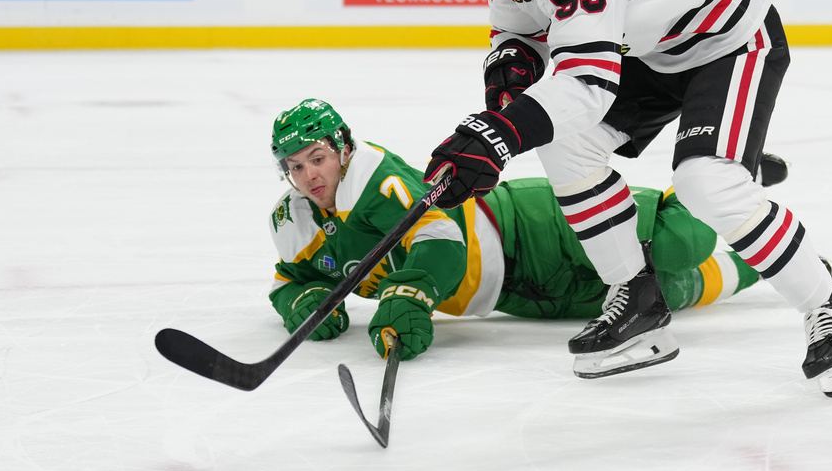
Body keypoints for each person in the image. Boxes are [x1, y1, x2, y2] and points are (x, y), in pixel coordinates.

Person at [421, 0, 832, 397]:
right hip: (650, 45)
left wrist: (497, 135)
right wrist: (504, 95)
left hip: (727, 39)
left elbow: (588, 86)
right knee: (565, 147)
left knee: (706, 183)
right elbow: (520, 31)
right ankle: (636, 297)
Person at [268, 98, 775, 365]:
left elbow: (440, 237)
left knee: (676, 243)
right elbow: (287, 278)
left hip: (530, 227)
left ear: (343, 150)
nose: (310, 175)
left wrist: (414, 291)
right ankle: (772, 265)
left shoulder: (379, 181)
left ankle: (728, 175)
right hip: (517, 296)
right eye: (296, 166)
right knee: (668, 291)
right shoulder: (298, 221)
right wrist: (303, 301)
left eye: (318, 158)